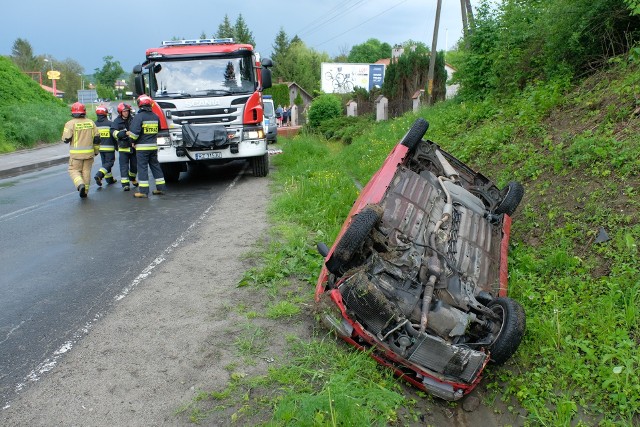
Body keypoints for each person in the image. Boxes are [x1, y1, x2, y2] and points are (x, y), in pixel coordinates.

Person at [128, 94, 166, 198]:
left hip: (142, 148)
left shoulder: (139, 117)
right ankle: (161, 188)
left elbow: (134, 133)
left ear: (140, 104)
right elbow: (158, 130)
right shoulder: (155, 116)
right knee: (156, 167)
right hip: (153, 147)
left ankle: (143, 191)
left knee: (142, 168)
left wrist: (132, 141)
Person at [61, 102, 100, 198]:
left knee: (73, 170)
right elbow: (97, 139)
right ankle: (85, 191)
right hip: (89, 154)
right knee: (86, 172)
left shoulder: (70, 124)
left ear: (73, 112)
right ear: (84, 112)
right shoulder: (91, 123)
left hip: (76, 156)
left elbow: (65, 139)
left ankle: (80, 184)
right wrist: (96, 151)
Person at [111, 102, 137, 191]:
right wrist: (124, 133)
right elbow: (113, 133)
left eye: (127, 111)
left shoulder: (133, 120)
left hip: (133, 147)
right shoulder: (116, 122)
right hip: (123, 147)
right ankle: (125, 184)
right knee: (124, 167)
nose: (126, 112)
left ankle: (132, 178)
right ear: (120, 112)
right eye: (124, 111)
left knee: (134, 166)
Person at [93, 105, 118, 187]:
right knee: (109, 163)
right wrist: (117, 146)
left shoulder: (94, 125)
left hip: (100, 148)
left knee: (105, 163)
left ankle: (109, 179)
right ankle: (99, 175)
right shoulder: (110, 124)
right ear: (106, 114)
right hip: (109, 147)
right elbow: (114, 136)